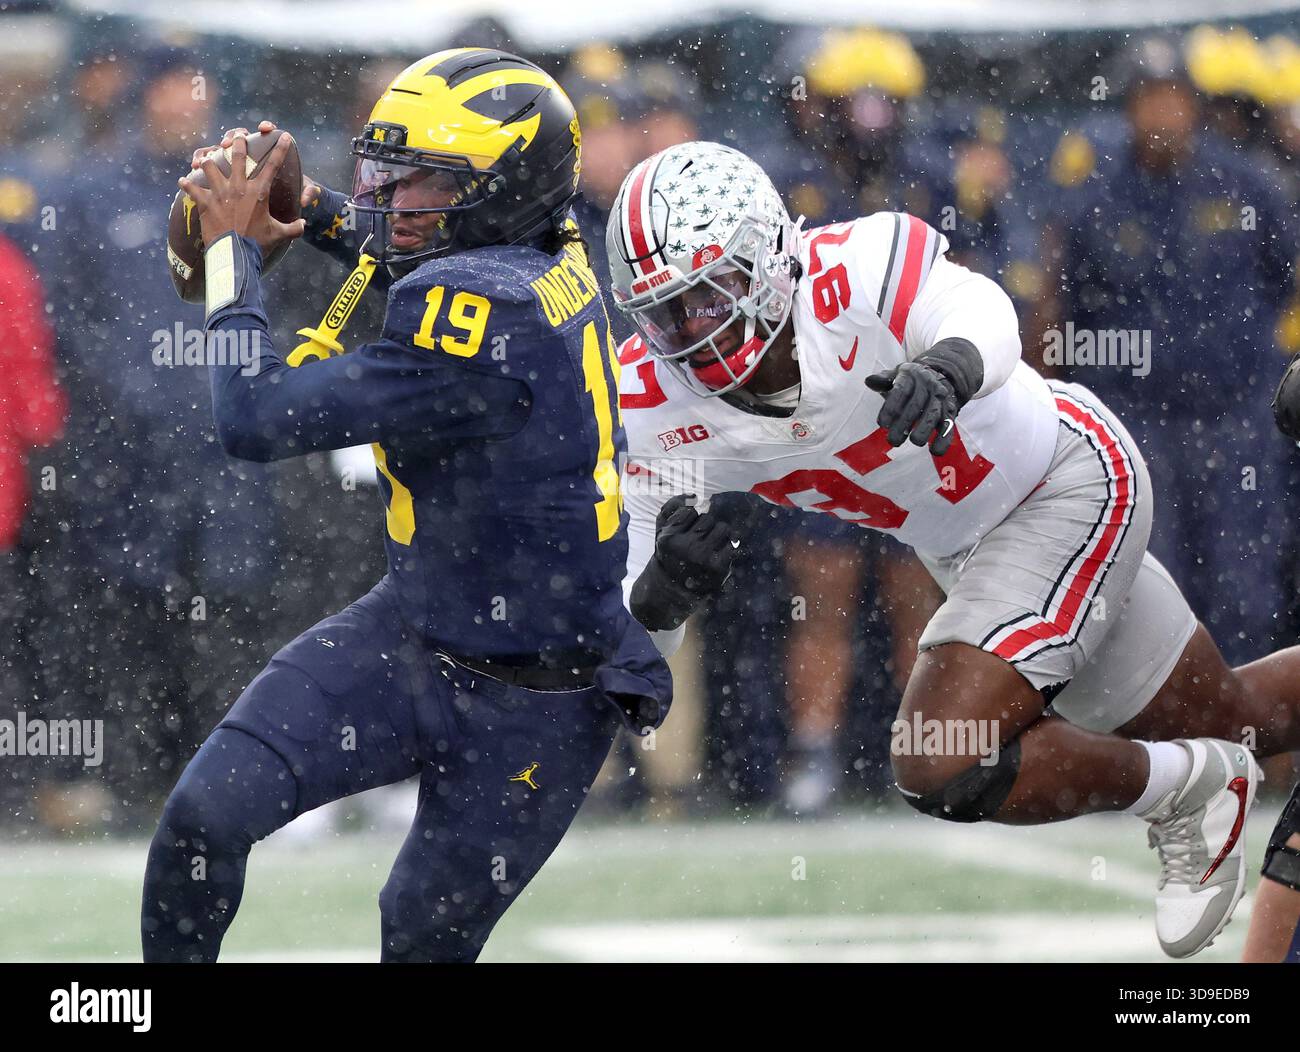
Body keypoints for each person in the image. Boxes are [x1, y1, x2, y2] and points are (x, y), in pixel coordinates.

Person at [607, 138, 1300, 960]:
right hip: (973, 551)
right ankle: (1207, 767)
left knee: (941, 757)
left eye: (710, 294)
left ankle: (1184, 791)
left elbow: (984, 313)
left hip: (1064, 482)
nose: (693, 332)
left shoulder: (855, 273)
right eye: (667, 313)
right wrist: (660, 597)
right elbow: (638, 631)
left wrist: (949, 367)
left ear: (768, 257)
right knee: (1230, 717)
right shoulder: (654, 402)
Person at [141, 47, 670, 963]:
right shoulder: (542, 243)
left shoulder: (483, 313)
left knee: (420, 937)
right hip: (415, 633)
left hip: (537, 700)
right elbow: (421, 244)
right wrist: (311, 213)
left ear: (502, 189)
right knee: (202, 818)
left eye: (417, 180)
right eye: (381, 170)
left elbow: (255, 419)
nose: (388, 197)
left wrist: (234, 252)